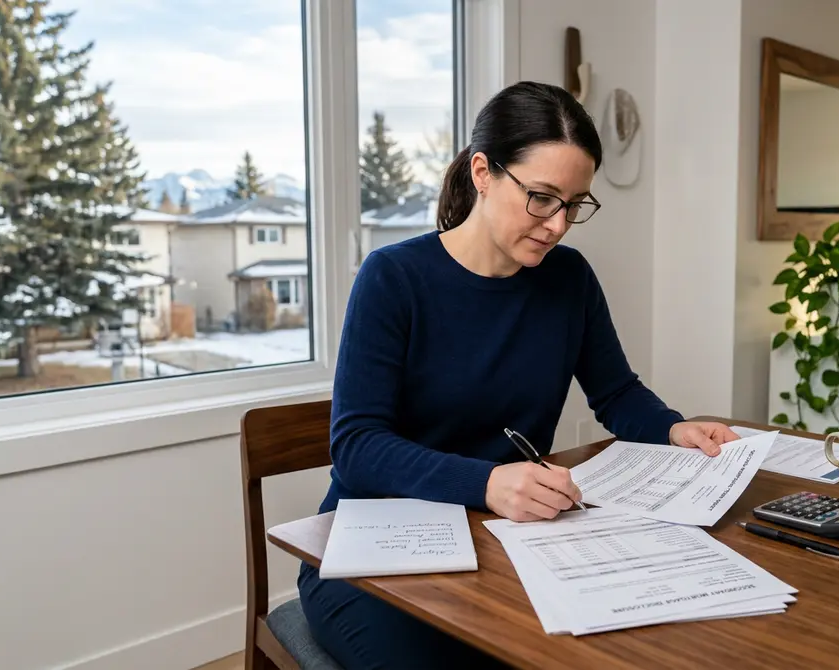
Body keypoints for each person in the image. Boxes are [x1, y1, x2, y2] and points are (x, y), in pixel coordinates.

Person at [298, 80, 739, 669]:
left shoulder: (569, 278)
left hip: (506, 538)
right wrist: (486, 483)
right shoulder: (393, 278)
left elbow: (615, 391)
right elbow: (356, 448)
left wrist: (671, 429)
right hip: (376, 549)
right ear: (483, 172)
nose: (557, 224)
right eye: (541, 197)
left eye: (575, 203)